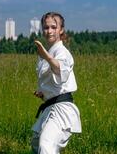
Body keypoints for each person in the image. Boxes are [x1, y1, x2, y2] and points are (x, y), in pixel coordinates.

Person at [31, 12, 82, 154]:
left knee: (46, 145)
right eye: (46, 27)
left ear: (61, 30)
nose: (49, 31)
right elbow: (56, 83)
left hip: (62, 109)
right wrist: (44, 94)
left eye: (54, 27)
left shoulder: (62, 53)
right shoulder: (46, 54)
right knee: (36, 145)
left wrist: (46, 56)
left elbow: (59, 69)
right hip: (50, 107)